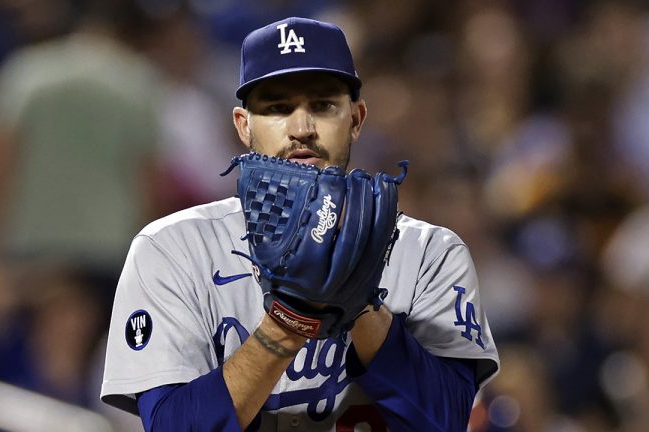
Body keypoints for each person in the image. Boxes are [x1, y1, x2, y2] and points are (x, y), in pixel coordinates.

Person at [101, 17, 500, 431]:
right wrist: (290, 320)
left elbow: (446, 420)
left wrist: (361, 304)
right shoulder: (173, 248)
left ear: (357, 119)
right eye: (277, 108)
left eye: (323, 106)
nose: (302, 128)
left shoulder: (429, 253)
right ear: (243, 125)